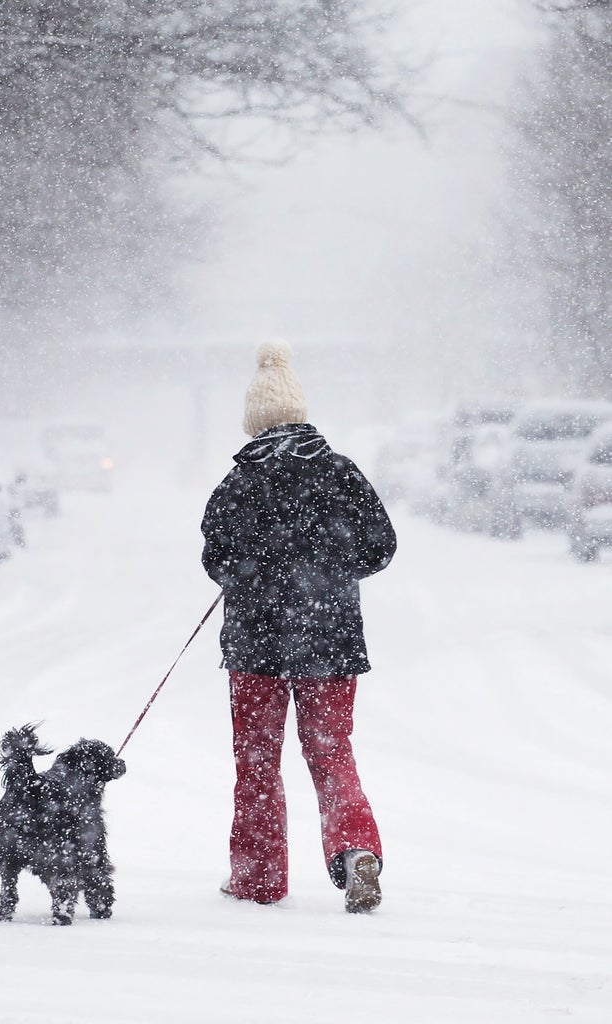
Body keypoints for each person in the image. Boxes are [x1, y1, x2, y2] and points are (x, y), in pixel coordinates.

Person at [201, 340, 396, 913]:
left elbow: (215, 557)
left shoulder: (240, 482)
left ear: (255, 421)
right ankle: (357, 849)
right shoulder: (339, 472)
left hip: (254, 644)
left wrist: (252, 574)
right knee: (332, 750)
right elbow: (381, 545)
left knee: (257, 759)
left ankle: (258, 877)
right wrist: (331, 575)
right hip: (329, 638)